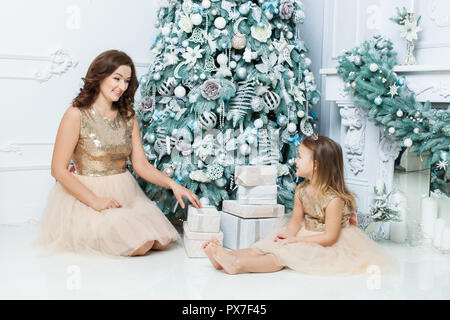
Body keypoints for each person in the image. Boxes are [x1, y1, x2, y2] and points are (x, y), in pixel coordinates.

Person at [39, 50, 201, 257]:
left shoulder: (128, 117)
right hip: (88, 194)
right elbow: (58, 170)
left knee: (160, 241)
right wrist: (95, 201)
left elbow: (141, 165)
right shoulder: (76, 114)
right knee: (139, 245)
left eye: (126, 81)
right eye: (116, 78)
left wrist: (173, 185)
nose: (122, 86)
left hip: (124, 192)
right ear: (100, 76)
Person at [202, 135, 399, 275]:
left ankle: (237, 264)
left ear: (316, 165)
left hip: (326, 241)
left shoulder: (333, 199)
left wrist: (296, 242)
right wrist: (289, 235)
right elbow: (296, 221)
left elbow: (330, 237)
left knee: (281, 258)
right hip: (306, 232)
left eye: (299, 156)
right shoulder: (302, 190)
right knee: (268, 245)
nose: (295, 160)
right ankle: (225, 257)